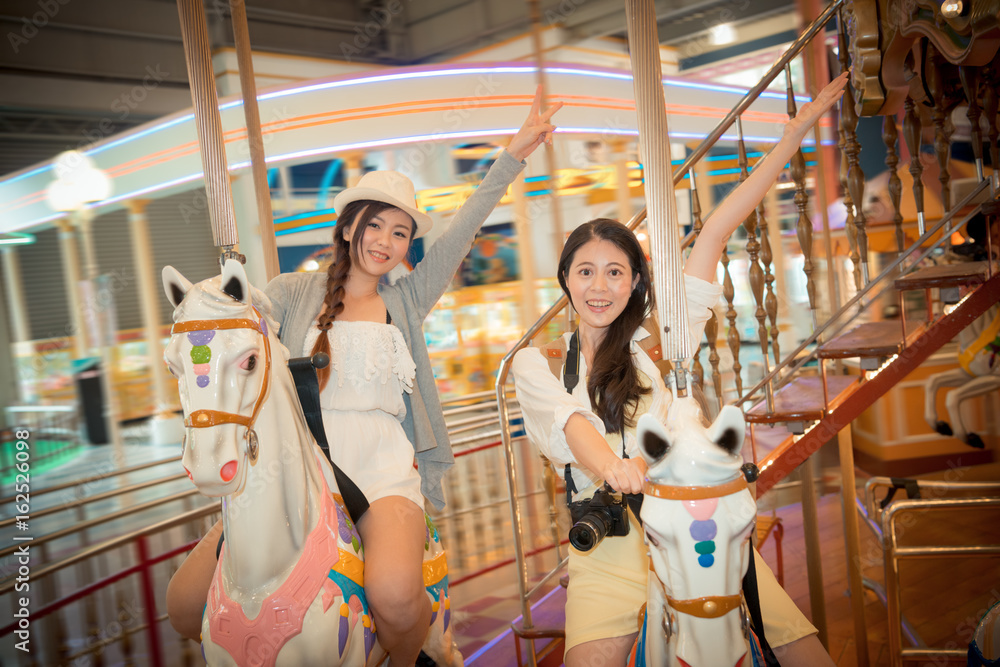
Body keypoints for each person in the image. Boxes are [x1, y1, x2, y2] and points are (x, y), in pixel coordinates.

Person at [166, 86, 562, 667]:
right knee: (183, 603)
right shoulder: (291, 294)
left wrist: (515, 152)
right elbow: (236, 327)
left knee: (396, 598)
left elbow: (461, 232)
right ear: (351, 226)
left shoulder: (407, 298)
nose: (386, 241)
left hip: (380, 473)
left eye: (400, 233)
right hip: (296, 466)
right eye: (376, 225)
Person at [511, 72, 850, 667]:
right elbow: (569, 426)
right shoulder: (535, 363)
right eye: (585, 270)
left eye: (615, 271)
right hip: (612, 542)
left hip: (693, 534)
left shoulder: (661, 343)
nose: (599, 286)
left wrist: (795, 133)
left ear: (636, 280)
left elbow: (717, 228)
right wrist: (617, 468)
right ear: (565, 278)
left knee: (804, 653)